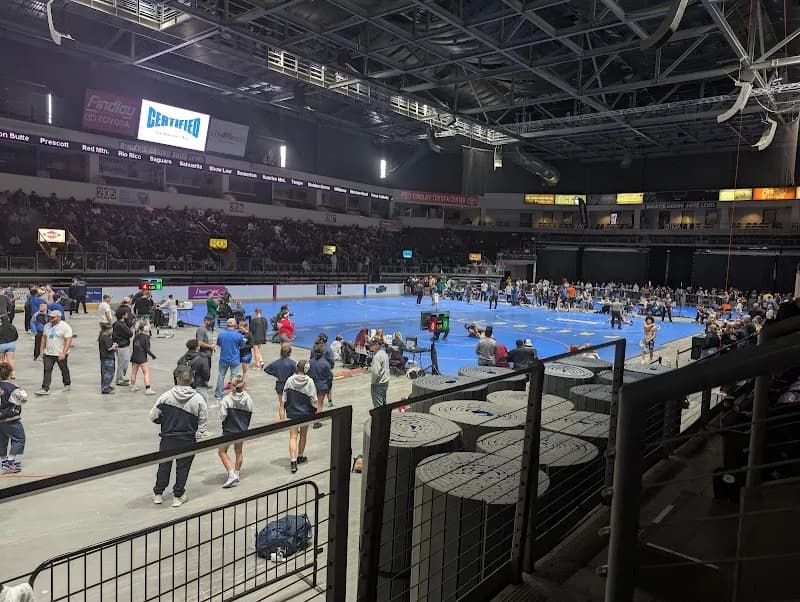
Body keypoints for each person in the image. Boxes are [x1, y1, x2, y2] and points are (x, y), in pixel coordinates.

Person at [150, 366, 207, 507]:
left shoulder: (165, 397)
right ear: (191, 379)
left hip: (168, 439)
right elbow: (203, 420)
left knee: (164, 466)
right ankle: (178, 496)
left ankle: (158, 493)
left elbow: (153, 416)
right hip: (187, 439)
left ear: (176, 378)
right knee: (183, 468)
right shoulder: (198, 399)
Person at [218, 375, 253, 488]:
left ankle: (231, 473)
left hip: (229, 430)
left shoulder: (226, 399)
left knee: (222, 451)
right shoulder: (248, 398)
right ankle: (237, 473)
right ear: (243, 385)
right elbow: (250, 412)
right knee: (238, 451)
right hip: (242, 429)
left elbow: (222, 416)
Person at [35, 310, 72, 395]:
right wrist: (41, 350)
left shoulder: (65, 327)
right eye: (49, 317)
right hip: (48, 353)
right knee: (47, 369)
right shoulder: (47, 326)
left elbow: (68, 340)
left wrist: (64, 352)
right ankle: (45, 388)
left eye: (53, 317)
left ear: (59, 317)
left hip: (60, 353)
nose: (50, 319)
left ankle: (67, 383)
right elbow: (44, 338)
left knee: (63, 368)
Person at [0, 362, 27, 474]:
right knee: (19, 438)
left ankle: (3, 460)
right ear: (10, 373)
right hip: (10, 419)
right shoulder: (12, 387)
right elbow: (22, 399)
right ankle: (9, 462)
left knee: (2, 440)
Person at [265, 345, 297, 420]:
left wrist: (275, 374)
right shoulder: (292, 363)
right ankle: (292, 421)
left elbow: (266, 369)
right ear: (290, 353)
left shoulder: (276, 363)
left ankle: (282, 421)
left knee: (281, 405)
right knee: (291, 404)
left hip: (280, 384)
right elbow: (297, 371)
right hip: (290, 385)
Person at [215, 318, 244, 400]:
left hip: (224, 358)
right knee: (234, 378)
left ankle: (219, 394)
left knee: (221, 376)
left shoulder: (221, 334)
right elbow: (241, 345)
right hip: (234, 359)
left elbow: (219, 344)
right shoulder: (238, 335)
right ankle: (233, 394)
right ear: (235, 325)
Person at [130, 322, 157, 395]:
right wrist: (153, 356)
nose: (149, 327)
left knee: (134, 372)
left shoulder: (136, 336)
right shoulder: (146, 337)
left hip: (134, 356)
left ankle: (133, 386)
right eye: (147, 326)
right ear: (144, 328)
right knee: (146, 373)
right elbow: (147, 349)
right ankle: (148, 389)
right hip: (142, 357)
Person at [112, 307, 134, 386]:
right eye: (126, 313)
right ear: (123, 315)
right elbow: (130, 334)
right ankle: (119, 379)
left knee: (125, 361)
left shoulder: (117, 323)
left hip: (122, 344)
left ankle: (121, 376)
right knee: (122, 362)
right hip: (122, 345)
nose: (127, 314)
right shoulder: (121, 325)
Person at [309, 344, 333, 412]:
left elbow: (307, 374)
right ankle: (317, 420)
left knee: (312, 404)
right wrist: (328, 386)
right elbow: (329, 377)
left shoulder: (310, 362)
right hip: (322, 386)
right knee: (320, 404)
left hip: (312, 386)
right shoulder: (326, 363)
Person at [98, 323, 117, 395]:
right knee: (109, 373)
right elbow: (109, 348)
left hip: (104, 358)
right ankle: (105, 388)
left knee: (104, 373)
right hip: (108, 358)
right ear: (108, 330)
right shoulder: (106, 338)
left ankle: (106, 386)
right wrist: (114, 346)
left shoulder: (102, 337)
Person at [370, 339, 390, 408]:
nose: (370, 347)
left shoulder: (377, 357)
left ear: (375, 346)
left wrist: (373, 382)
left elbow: (376, 372)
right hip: (385, 381)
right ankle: (385, 417)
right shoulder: (384, 353)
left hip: (378, 383)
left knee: (378, 405)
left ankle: (379, 418)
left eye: (371, 345)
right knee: (383, 401)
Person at [0, 315, 18, 379]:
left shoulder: (0, 328)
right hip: (11, 344)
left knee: (1, 360)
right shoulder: (12, 327)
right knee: (10, 360)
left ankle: (1, 374)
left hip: (1, 345)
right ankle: (12, 374)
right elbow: (16, 336)